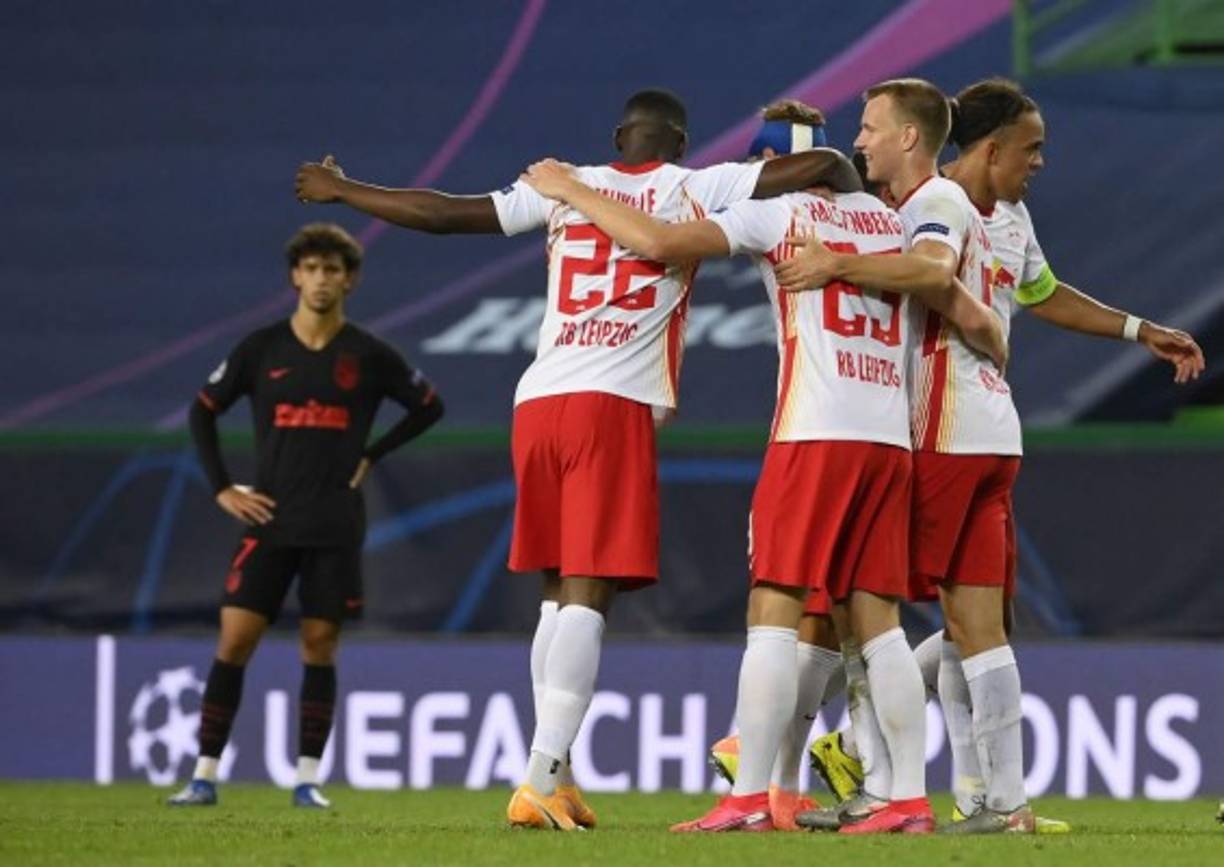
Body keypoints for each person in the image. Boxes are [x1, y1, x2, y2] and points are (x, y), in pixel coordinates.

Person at [296, 87, 864, 831]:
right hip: (611, 406)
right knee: (589, 597)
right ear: (681, 142)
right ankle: (538, 776)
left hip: (538, 404)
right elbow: (821, 167)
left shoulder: (565, 183)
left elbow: (442, 213)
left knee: (554, 595)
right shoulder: (696, 185)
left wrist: (342, 190)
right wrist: (823, 162)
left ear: (617, 136)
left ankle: (553, 773)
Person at [518, 96, 1005, 831]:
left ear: (771, 163)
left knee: (772, 612)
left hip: (813, 432)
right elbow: (966, 309)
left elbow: (654, 240)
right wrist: (996, 343)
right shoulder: (889, 221)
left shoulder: (776, 214)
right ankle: (907, 796)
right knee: (877, 623)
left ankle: (749, 794)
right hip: (888, 439)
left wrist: (573, 190)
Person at [796, 77, 1205, 834]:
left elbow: (1032, 291)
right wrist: (989, 324)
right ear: (988, 149)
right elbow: (993, 289)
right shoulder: (946, 208)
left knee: (872, 605)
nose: (1040, 163)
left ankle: (868, 767)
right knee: (976, 625)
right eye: (1031, 148)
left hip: (948, 437)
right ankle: (996, 799)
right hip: (984, 439)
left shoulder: (964, 215)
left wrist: (1135, 329)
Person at [168, 223, 443, 808]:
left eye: (332, 270)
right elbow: (201, 411)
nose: (321, 280)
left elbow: (428, 406)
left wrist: (372, 453)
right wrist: (221, 488)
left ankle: (306, 778)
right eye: (311, 269)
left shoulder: (367, 354)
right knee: (236, 637)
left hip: (334, 524)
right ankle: (204, 775)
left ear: (350, 280)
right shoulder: (262, 349)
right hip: (269, 519)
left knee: (319, 644)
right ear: (295, 277)